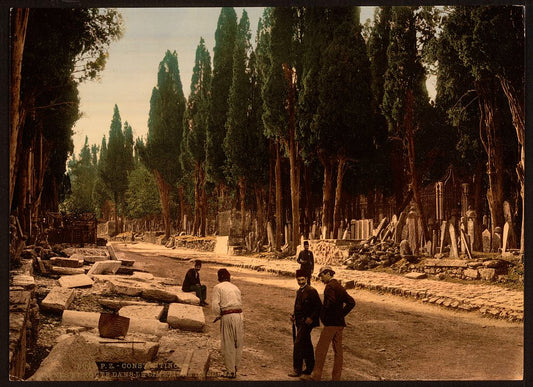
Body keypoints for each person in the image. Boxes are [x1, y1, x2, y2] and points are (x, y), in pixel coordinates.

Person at [300, 265, 355, 381]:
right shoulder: (340, 287)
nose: (321, 278)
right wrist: (341, 315)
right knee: (338, 352)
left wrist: (324, 315)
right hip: (340, 324)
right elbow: (351, 302)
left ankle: (316, 376)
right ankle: (336, 378)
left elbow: (330, 302)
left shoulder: (329, 287)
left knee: (320, 350)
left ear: (329, 274)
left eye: (322, 275)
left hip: (330, 324)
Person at [289, 269, 322, 378]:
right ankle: (310, 367)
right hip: (299, 322)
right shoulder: (299, 291)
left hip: (307, 323)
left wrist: (311, 318)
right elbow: (297, 306)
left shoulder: (312, 291)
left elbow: (318, 307)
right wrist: (294, 315)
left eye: (302, 280)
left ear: (307, 279)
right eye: (299, 280)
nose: (301, 282)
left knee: (298, 344)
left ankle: (297, 369)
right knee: (306, 344)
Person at [212, 268, 244, 379]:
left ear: (219, 277)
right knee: (238, 342)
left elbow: (215, 305)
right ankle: (235, 367)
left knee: (228, 342)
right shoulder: (235, 287)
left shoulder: (218, 287)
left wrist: (218, 315)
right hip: (239, 315)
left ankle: (230, 371)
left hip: (228, 315)